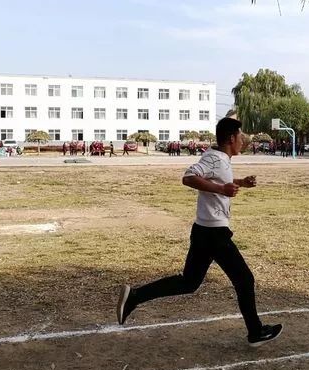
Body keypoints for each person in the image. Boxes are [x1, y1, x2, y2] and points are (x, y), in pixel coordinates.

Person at [116, 117, 283, 346]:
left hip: (204, 231)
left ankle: (135, 297)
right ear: (232, 138)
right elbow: (189, 177)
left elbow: (217, 179)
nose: (243, 141)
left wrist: (239, 182)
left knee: (189, 283)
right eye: (241, 137)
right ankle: (255, 331)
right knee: (244, 279)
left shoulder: (221, 158)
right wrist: (221, 188)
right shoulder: (214, 157)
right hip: (214, 233)